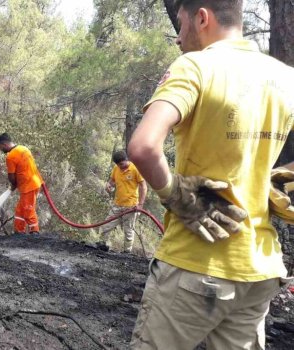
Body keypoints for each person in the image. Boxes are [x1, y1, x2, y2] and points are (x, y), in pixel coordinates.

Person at [127, 0, 293, 348]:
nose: (177, 38)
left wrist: (174, 193)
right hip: (259, 268)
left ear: (202, 17)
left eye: (181, 23)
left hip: (195, 264)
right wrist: (278, 175)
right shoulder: (286, 78)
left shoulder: (196, 67)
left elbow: (142, 147)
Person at [97, 150, 147, 253]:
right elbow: (112, 180)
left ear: (126, 159)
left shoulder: (135, 169)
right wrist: (109, 185)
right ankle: (102, 245)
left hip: (131, 206)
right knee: (106, 225)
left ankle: (127, 252)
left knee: (128, 231)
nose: (120, 166)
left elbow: (143, 186)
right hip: (117, 205)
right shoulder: (116, 169)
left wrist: (140, 204)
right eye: (118, 165)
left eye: (122, 164)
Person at [0, 133, 43, 234]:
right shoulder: (24, 148)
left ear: (4, 144)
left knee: (28, 209)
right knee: (20, 210)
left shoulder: (10, 156)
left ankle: (34, 232)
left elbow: (11, 176)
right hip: (35, 182)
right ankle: (18, 232)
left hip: (28, 185)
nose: (1, 150)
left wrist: (13, 184)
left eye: (0, 147)